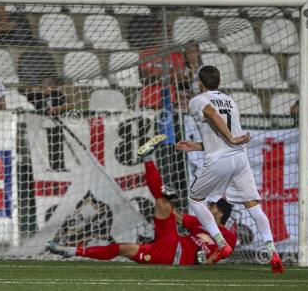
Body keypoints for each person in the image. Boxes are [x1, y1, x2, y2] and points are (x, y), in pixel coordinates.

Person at [47, 134, 237, 265]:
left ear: (220, 213)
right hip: (172, 240)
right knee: (162, 202)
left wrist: (206, 260)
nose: (209, 207)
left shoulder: (228, 236)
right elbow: (179, 218)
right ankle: (148, 158)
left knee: (123, 248)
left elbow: (218, 256)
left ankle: (71, 251)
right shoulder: (202, 222)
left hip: (172, 256)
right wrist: (169, 204)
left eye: (212, 206)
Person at [175, 66, 284, 273]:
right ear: (220, 81)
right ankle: (272, 250)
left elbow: (211, 114)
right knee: (253, 206)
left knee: (195, 200)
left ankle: (221, 243)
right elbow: (220, 132)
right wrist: (196, 145)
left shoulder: (197, 100)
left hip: (220, 160)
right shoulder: (230, 101)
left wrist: (231, 138)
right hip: (240, 158)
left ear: (200, 82)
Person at [27, 77, 73, 171]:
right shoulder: (35, 95)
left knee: (56, 144)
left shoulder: (56, 94)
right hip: (37, 127)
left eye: (50, 84)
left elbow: (70, 105)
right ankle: (41, 168)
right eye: (45, 85)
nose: (47, 87)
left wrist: (57, 108)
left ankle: (58, 167)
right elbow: (22, 92)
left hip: (54, 124)